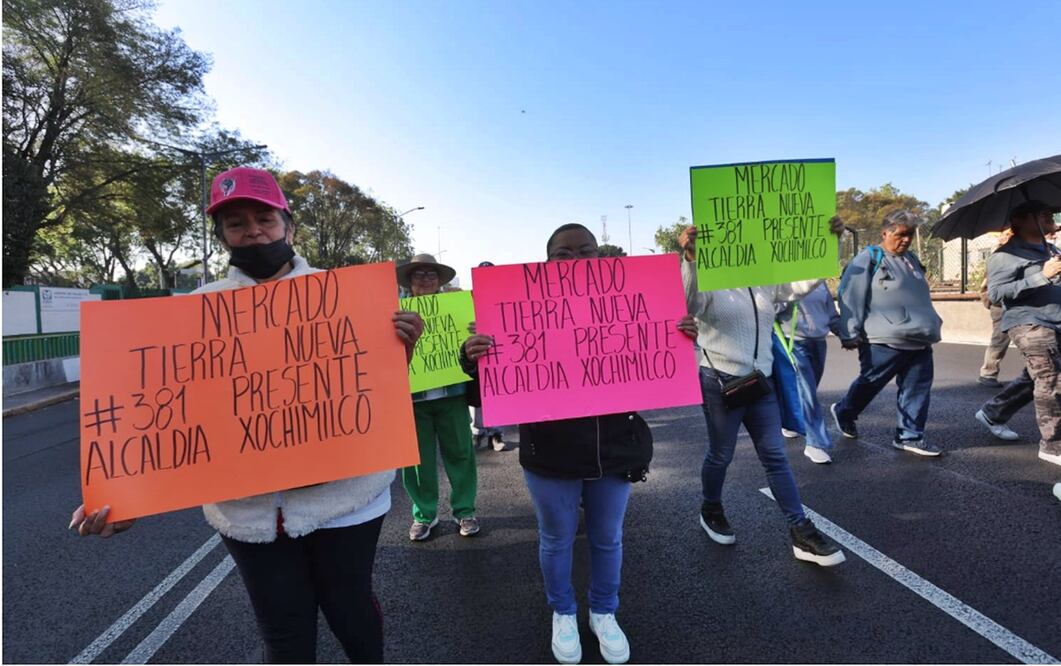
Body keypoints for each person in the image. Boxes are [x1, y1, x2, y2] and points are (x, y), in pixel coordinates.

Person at [69, 166, 424, 664]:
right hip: (248, 515)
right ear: (222, 238)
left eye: (264, 217)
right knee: (282, 628)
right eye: (236, 223)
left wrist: (399, 352)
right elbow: (162, 414)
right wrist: (121, 497)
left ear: (289, 226)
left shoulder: (350, 298)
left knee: (351, 612)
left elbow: (371, 395)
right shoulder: (194, 311)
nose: (253, 231)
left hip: (347, 501)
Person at [460, 223, 695, 665]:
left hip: (614, 449)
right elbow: (480, 397)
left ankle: (604, 611)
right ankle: (563, 611)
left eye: (585, 251)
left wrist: (679, 335)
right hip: (549, 454)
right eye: (563, 254)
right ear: (547, 263)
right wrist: (473, 358)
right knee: (556, 538)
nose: (575, 261)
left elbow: (661, 370)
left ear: (601, 257)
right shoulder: (517, 311)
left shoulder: (628, 306)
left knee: (608, 538)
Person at [679, 223, 846, 567]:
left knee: (776, 457)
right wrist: (692, 257)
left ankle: (800, 529)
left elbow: (802, 284)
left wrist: (832, 242)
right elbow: (688, 301)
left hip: (760, 383)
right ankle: (711, 507)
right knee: (720, 455)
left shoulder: (764, 279)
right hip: (720, 382)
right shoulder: (709, 280)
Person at [831, 210, 944, 457]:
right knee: (870, 384)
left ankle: (909, 436)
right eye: (901, 234)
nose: (906, 240)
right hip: (883, 340)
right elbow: (850, 296)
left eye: (910, 235)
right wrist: (849, 333)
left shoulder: (912, 259)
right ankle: (845, 411)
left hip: (920, 338)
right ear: (885, 232)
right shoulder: (868, 259)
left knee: (917, 389)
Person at [397, 253, 481, 540]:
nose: (426, 278)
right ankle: (424, 515)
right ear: (409, 279)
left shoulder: (457, 306)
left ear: (440, 279)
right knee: (417, 461)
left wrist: (472, 328)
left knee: (460, 453)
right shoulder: (394, 310)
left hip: (452, 394)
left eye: (431, 274)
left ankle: (465, 510)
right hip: (412, 398)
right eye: (419, 274)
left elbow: (474, 340)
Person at [974, 201, 1061, 466]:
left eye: (1049, 211)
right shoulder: (1005, 255)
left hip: (1056, 321)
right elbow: (997, 294)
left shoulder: (1052, 250)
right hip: (1029, 323)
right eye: (1040, 212)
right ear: (1021, 220)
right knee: (1052, 379)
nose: (1049, 214)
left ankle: (993, 412)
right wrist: (1042, 276)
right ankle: (1053, 445)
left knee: (1034, 378)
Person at [774, 282, 842, 463]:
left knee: (807, 389)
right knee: (807, 393)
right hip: (790, 342)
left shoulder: (820, 281)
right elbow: (770, 307)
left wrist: (846, 334)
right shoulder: (782, 279)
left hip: (818, 341)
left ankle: (790, 421)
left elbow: (831, 314)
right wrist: (791, 295)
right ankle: (815, 443)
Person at [469, 261, 507, 451]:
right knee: (476, 396)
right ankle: (477, 432)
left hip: (497, 354)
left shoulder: (504, 296)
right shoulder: (465, 299)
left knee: (496, 394)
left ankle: (496, 434)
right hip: (475, 355)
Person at [977, 228, 1016, 388]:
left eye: (1010, 235)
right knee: (1000, 339)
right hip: (1001, 303)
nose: (1007, 238)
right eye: (1005, 234)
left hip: (1018, 301)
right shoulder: (999, 256)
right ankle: (988, 372)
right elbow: (988, 284)